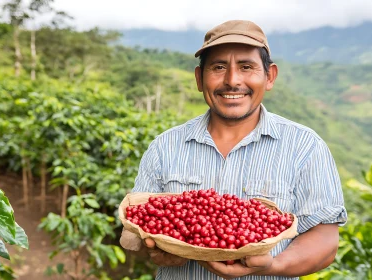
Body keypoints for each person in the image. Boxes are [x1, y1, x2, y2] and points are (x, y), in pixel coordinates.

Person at [127, 20, 347, 280]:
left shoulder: (305, 147)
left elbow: (325, 240)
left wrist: (273, 266)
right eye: (218, 67)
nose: (232, 80)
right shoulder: (164, 147)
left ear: (269, 76)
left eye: (246, 67)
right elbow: (135, 232)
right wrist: (155, 250)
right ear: (199, 78)